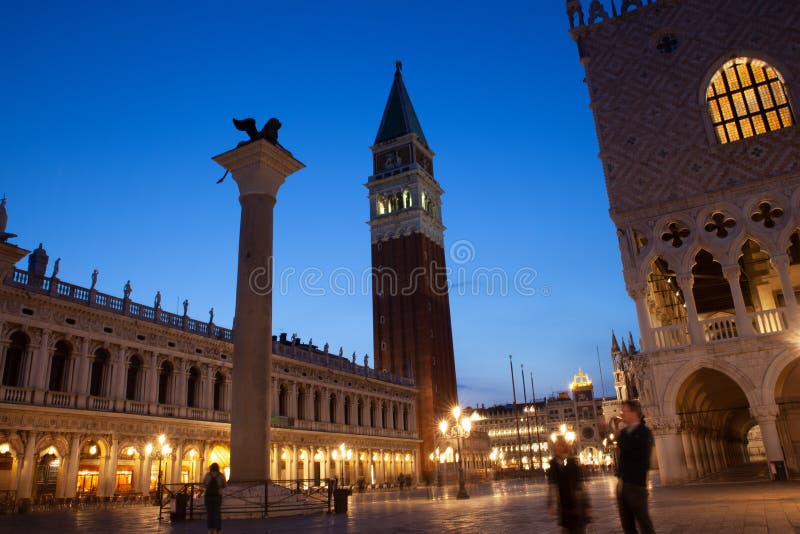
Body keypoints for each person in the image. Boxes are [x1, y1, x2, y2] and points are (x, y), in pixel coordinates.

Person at [616, 400, 655, 534]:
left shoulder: (644, 432)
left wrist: (622, 438)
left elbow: (638, 455)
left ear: (633, 413)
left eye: (624, 411)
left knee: (644, 524)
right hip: (623, 485)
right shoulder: (624, 433)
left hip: (637, 485)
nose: (621, 414)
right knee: (627, 525)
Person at [548, 435, 591, 533]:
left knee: (578, 529)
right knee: (567, 528)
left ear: (565, 447)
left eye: (561, 446)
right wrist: (551, 503)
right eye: (556, 446)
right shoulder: (553, 465)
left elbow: (580, 485)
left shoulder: (572, 463)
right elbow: (551, 485)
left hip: (576, 502)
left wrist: (587, 505)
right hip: (563, 505)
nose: (558, 448)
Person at [203, 462, 226, 534]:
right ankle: (216, 530)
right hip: (217, 496)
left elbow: (204, 484)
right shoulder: (221, 475)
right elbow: (224, 485)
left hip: (208, 496)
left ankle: (210, 530)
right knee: (216, 514)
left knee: (209, 514)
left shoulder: (207, 475)